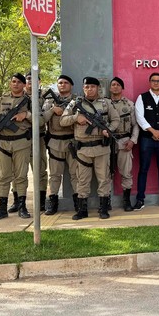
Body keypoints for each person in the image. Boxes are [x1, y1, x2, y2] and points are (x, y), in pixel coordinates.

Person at [61, 77, 120, 220]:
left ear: (98, 88)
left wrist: (108, 130)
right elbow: (63, 121)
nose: (90, 89)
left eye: (93, 87)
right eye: (87, 87)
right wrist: (76, 118)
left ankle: (103, 208)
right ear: (83, 88)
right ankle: (82, 210)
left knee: (104, 178)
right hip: (83, 149)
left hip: (101, 147)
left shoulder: (106, 103)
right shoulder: (75, 103)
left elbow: (116, 120)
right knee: (82, 180)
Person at [0, 73, 32, 220]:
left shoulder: (29, 101)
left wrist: (26, 115)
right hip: (3, 144)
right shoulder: (1, 100)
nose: (16, 84)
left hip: (21, 143)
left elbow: (40, 121)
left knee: (21, 176)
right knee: (3, 177)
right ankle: (2, 208)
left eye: (19, 82)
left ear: (24, 85)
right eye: (13, 81)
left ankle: (22, 206)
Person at [134, 72, 159, 210]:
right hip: (147, 139)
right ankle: (140, 200)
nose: (156, 83)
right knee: (143, 169)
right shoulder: (142, 97)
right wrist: (153, 131)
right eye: (153, 80)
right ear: (150, 82)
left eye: (158, 81)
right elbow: (139, 117)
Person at [41, 74, 79, 215]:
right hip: (55, 142)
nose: (62, 85)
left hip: (72, 141)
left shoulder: (76, 101)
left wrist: (67, 114)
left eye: (65, 83)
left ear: (71, 85)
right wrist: (52, 110)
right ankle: (52, 202)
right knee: (55, 175)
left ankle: (78, 203)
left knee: (76, 174)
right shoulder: (50, 101)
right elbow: (42, 118)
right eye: (60, 83)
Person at [109, 76, 139, 212]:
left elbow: (135, 125)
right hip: (106, 142)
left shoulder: (129, 104)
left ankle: (126, 201)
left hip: (124, 142)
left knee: (126, 173)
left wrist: (132, 140)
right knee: (105, 173)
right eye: (113, 84)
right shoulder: (104, 103)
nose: (115, 87)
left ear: (122, 88)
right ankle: (105, 201)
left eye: (118, 85)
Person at [25, 72, 48, 212]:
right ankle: (18, 201)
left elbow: (45, 117)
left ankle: (41, 201)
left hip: (38, 138)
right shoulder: (17, 96)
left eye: (34, 79)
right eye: (28, 79)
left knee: (39, 170)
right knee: (18, 172)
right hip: (20, 138)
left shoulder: (45, 97)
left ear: (39, 82)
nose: (30, 82)